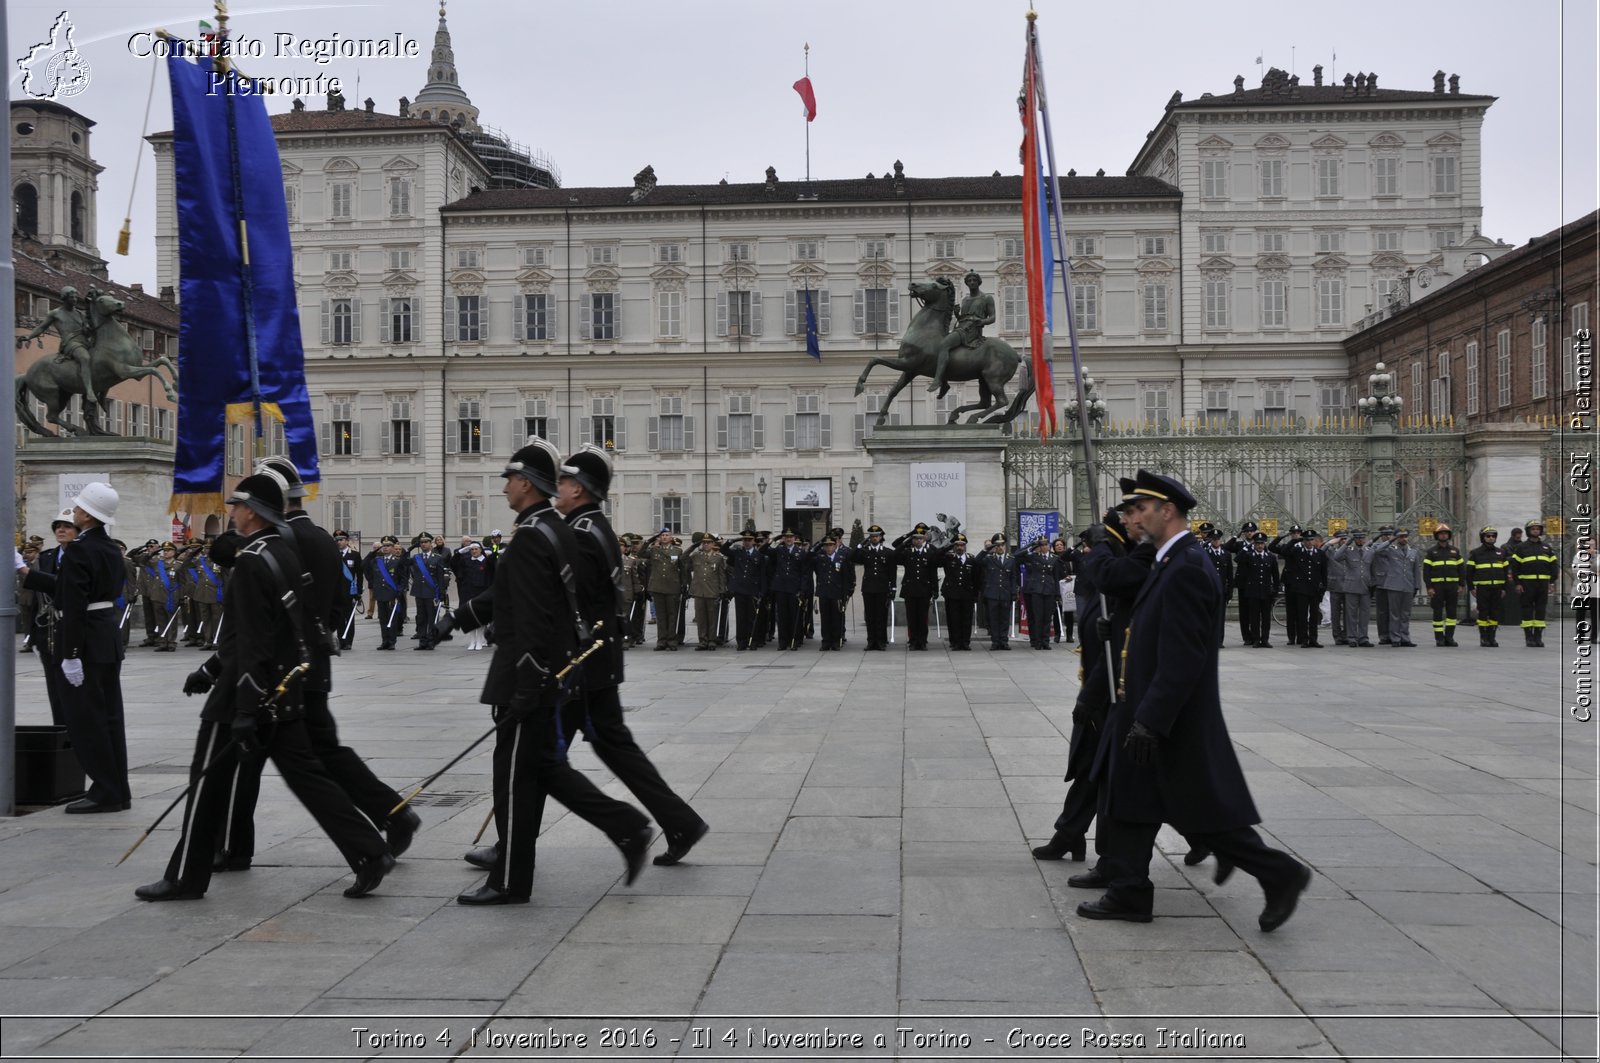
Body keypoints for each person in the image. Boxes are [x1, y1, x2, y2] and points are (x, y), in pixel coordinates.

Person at [135, 472, 396, 901]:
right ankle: (368, 851)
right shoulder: (280, 552)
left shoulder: (254, 560)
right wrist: (211, 668)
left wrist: (241, 703)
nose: (231, 512)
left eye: (236, 505)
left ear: (252, 511)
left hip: (249, 690)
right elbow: (274, 629)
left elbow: (251, 637)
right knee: (309, 778)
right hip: (284, 684)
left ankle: (185, 876)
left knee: (207, 783)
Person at [1074, 470, 1310, 930]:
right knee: (1135, 802)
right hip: (1144, 704)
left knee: (1196, 810)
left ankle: (1279, 871)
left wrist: (1151, 719)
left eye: (1140, 510)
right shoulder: (1166, 559)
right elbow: (1154, 627)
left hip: (1163, 713)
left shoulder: (1186, 566)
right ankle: (1128, 891)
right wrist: (1121, 631)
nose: (1132, 518)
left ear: (1168, 511)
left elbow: (1184, 654)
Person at [450, 439, 653, 905]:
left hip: (528, 676)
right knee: (544, 771)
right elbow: (521, 598)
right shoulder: (554, 529)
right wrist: (458, 619)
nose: (504, 488)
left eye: (509, 479)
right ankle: (627, 828)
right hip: (551, 674)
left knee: (517, 779)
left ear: (525, 483)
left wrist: (528, 681)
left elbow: (534, 617)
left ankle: (510, 881)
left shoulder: (531, 536)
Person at [204, 455, 423, 872]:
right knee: (323, 753)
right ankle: (391, 815)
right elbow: (342, 601)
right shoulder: (321, 537)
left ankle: (235, 844)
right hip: (312, 664)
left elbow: (223, 556)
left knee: (255, 756)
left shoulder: (277, 539)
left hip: (279, 667)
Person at [1034, 483, 1153, 864]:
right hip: (1100, 689)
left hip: (1115, 691)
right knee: (1089, 766)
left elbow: (1128, 637)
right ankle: (1071, 834)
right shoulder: (1111, 572)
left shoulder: (1133, 565)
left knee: (1113, 771)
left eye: (1092, 546)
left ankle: (1215, 837)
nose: (1086, 554)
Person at [42, 485, 132, 813]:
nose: (75, 512)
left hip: (86, 642)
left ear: (88, 515)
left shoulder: (79, 550)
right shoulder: (109, 548)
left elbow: (75, 604)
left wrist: (71, 654)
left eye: (78, 509)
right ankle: (118, 788)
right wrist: (29, 575)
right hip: (106, 637)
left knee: (85, 719)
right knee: (110, 717)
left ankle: (105, 790)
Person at [17, 510, 77, 726]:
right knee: (55, 690)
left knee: (75, 692)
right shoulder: (46, 557)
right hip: (48, 633)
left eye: (67, 526)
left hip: (74, 631)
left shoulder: (82, 556)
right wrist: (33, 636)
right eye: (58, 526)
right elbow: (36, 602)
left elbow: (64, 586)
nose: (61, 530)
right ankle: (60, 729)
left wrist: (25, 571)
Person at [927, 270, 994, 393]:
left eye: (974, 280)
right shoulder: (965, 299)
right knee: (940, 346)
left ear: (979, 282)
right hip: (961, 327)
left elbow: (992, 317)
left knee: (944, 344)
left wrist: (982, 322)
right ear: (967, 284)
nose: (972, 282)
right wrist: (957, 314)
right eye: (969, 281)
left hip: (972, 329)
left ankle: (938, 380)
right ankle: (945, 382)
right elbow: (963, 318)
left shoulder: (987, 298)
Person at [1509, 519, 1558, 647]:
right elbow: (1515, 567)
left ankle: (1538, 637)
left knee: (1541, 609)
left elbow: (1554, 566)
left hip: (1543, 583)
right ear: (1528, 531)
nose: (1536, 531)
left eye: (1537, 529)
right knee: (1527, 609)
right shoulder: (1521, 547)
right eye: (1533, 529)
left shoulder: (1547, 548)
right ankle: (1528, 637)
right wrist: (1518, 583)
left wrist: (1551, 582)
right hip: (1527, 583)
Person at [1372, 528, 1423, 647]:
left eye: (1405, 536)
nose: (1403, 539)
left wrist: (1416, 586)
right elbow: (1377, 550)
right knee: (1394, 613)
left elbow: (1416, 571)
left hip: (1408, 586)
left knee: (1406, 614)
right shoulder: (1390, 549)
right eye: (1400, 536)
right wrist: (1391, 540)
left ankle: (1405, 637)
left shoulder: (1413, 552)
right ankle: (1395, 638)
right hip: (1393, 586)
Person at [893, 524, 939, 650]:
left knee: (923, 617)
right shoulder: (907, 552)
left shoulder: (930, 552)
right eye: (916, 538)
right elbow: (894, 555)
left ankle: (922, 641)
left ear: (924, 539)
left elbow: (933, 572)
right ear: (913, 540)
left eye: (920, 538)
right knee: (912, 617)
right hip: (910, 590)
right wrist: (905, 542)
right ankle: (913, 641)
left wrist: (935, 589)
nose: (918, 540)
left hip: (925, 590)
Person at [851, 524, 897, 651]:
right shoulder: (865, 551)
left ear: (881, 537)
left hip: (882, 588)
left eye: (877, 536)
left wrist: (893, 589)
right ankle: (871, 641)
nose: (874, 538)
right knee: (870, 617)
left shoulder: (888, 553)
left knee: (881, 616)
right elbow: (853, 557)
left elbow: (892, 572)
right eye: (872, 536)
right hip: (869, 588)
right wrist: (860, 545)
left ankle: (881, 641)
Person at [1325, 530, 1374, 647]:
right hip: (1338, 585)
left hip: (1357, 586)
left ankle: (1354, 636)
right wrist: (1330, 543)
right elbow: (1329, 554)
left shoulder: (1362, 551)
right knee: (1337, 614)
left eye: (1345, 538)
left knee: (1356, 614)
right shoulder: (1336, 550)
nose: (1343, 540)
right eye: (1340, 539)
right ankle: (1340, 636)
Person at [1422, 524, 1467, 647]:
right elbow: (1426, 572)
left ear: (1449, 535)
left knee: (1452, 614)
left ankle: (1449, 638)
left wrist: (1461, 585)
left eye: (1446, 533)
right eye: (1441, 533)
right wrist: (1429, 587)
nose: (1444, 535)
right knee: (1437, 613)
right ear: (1437, 536)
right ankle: (1439, 639)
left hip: (1452, 587)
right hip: (1437, 588)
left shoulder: (1455, 551)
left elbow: (1461, 570)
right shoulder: (1431, 552)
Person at [764, 529, 810, 650]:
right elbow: (763, 551)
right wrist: (772, 540)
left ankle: (794, 641)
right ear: (783, 539)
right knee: (782, 617)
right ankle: (783, 642)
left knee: (794, 616)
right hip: (781, 588)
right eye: (786, 537)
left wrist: (802, 590)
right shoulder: (779, 550)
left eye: (791, 537)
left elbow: (804, 573)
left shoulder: (801, 552)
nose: (789, 539)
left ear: (794, 539)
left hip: (794, 588)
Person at [641, 529, 686, 651]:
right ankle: (661, 641)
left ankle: (671, 640)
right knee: (660, 616)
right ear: (660, 538)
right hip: (658, 586)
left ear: (671, 538)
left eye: (667, 535)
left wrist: (683, 585)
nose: (665, 537)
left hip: (672, 586)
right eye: (663, 535)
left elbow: (682, 569)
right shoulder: (654, 550)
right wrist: (650, 540)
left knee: (672, 615)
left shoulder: (678, 551)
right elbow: (641, 553)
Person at [1233, 532, 1280, 647]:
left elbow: (1275, 575)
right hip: (1253, 591)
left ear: (1265, 544)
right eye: (1257, 543)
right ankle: (1256, 639)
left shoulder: (1271, 557)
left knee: (1265, 618)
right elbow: (1237, 559)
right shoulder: (1249, 556)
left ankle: (1265, 639)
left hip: (1266, 591)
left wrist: (1275, 590)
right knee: (1254, 617)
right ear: (1254, 544)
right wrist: (1247, 546)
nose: (1260, 546)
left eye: (1262, 543)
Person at [722, 531, 767, 650]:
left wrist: (762, 591)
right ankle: (741, 641)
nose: (746, 542)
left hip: (753, 590)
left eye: (749, 540)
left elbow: (762, 575)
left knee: (752, 617)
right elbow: (723, 550)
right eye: (744, 540)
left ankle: (753, 640)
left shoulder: (759, 556)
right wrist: (732, 540)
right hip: (740, 589)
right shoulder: (738, 553)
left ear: (753, 541)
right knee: (740, 617)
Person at [1466, 527, 1510, 647]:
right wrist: (1471, 588)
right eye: (1488, 536)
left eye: (1493, 536)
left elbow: (1506, 573)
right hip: (1483, 588)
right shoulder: (1475, 553)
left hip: (1497, 588)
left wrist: (1504, 588)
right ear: (1483, 537)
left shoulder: (1501, 552)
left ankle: (1492, 637)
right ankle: (1483, 637)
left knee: (1495, 613)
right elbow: (1469, 573)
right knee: (1483, 613)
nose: (1491, 538)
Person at [811, 533, 855, 650]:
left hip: (837, 593)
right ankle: (826, 641)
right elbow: (809, 555)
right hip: (824, 592)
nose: (828, 547)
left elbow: (846, 577)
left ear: (835, 545)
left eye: (831, 545)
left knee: (837, 618)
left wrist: (845, 593)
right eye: (826, 545)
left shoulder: (842, 558)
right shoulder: (819, 558)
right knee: (825, 618)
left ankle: (836, 641)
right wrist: (819, 543)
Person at [937, 533, 981, 650]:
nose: (960, 547)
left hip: (967, 594)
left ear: (965, 546)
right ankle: (955, 642)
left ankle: (965, 642)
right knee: (953, 619)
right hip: (952, 594)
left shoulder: (972, 559)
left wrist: (976, 594)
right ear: (954, 546)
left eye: (962, 545)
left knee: (966, 619)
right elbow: (935, 557)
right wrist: (947, 547)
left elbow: (976, 578)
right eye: (957, 545)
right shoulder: (948, 558)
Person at [686, 533, 729, 649]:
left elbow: (721, 575)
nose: (706, 545)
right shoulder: (696, 556)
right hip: (699, 591)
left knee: (712, 618)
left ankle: (711, 640)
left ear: (713, 544)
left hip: (712, 591)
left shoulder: (718, 557)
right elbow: (683, 560)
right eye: (704, 542)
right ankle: (702, 640)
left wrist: (721, 591)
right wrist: (693, 546)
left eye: (708, 542)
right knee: (701, 618)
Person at [977, 534, 1020, 649]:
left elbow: (1013, 577)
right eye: (997, 545)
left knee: (1005, 619)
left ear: (1005, 545)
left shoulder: (1011, 559)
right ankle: (995, 641)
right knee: (993, 619)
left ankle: (1004, 641)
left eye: (1002, 545)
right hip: (992, 593)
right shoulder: (989, 558)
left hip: (1005, 593)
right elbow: (976, 562)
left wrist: (1013, 592)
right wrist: (986, 550)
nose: (1000, 547)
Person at [407, 533, 449, 650]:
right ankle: (422, 641)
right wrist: (410, 548)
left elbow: (440, 577)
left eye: (426, 542)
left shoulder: (438, 558)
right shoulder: (416, 558)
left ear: (431, 544)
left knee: (432, 618)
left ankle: (431, 641)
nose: (423, 544)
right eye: (421, 542)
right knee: (421, 618)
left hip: (431, 592)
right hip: (419, 592)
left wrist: (441, 593)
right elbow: (403, 562)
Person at [1020, 535, 1062, 650]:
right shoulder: (1034, 557)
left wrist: (1057, 594)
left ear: (1049, 545)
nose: (1044, 547)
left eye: (1045, 545)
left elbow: (1056, 577)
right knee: (1038, 617)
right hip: (1037, 591)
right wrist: (1031, 546)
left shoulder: (1054, 558)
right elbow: (1018, 555)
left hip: (1049, 590)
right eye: (1041, 545)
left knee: (1047, 618)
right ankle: (1037, 641)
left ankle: (1045, 641)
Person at [365, 536, 407, 649]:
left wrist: (400, 591)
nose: (386, 548)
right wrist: (374, 551)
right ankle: (385, 641)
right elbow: (364, 565)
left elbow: (403, 579)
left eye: (388, 546)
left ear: (393, 548)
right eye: (384, 546)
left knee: (392, 619)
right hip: (380, 594)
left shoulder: (398, 561)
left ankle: (392, 641)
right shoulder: (376, 561)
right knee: (382, 619)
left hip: (392, 594)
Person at [454, 542, 494, 649]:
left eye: (476, 549)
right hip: (467, 592)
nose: (474, 551)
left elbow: (494, 567)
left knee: (480, 618)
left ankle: (480, 640)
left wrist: (493, 554)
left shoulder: (486, 562)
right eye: (472, 549)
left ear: (481, 550)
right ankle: (472, 640)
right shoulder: (466, 561)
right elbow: (454, 565)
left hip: (481, 593)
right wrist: (459, 553)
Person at [333, 531, 363, 650]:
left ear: (347, 541)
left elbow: (359, 575)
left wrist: (359, 592)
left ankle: (349, 641)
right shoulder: (333, 555)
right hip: (337, 592)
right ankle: (341, 640)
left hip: (350, 592)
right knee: (339, 618)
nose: (339, 542)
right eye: (337, 540)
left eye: (341, 540)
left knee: (349, 617)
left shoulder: (354, 555)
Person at [1574, 535, 1598, 645]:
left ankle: (1595, 636)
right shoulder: (1578, 556)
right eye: (1588, 545)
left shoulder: (1597, 556)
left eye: (1592, 545)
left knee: (1596, 615)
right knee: (1581, 614)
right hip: (1581, 590)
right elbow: (1578, 571)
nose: (1590, 547)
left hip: (1596, 591)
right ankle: (1580, 635)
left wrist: (1592, 559)